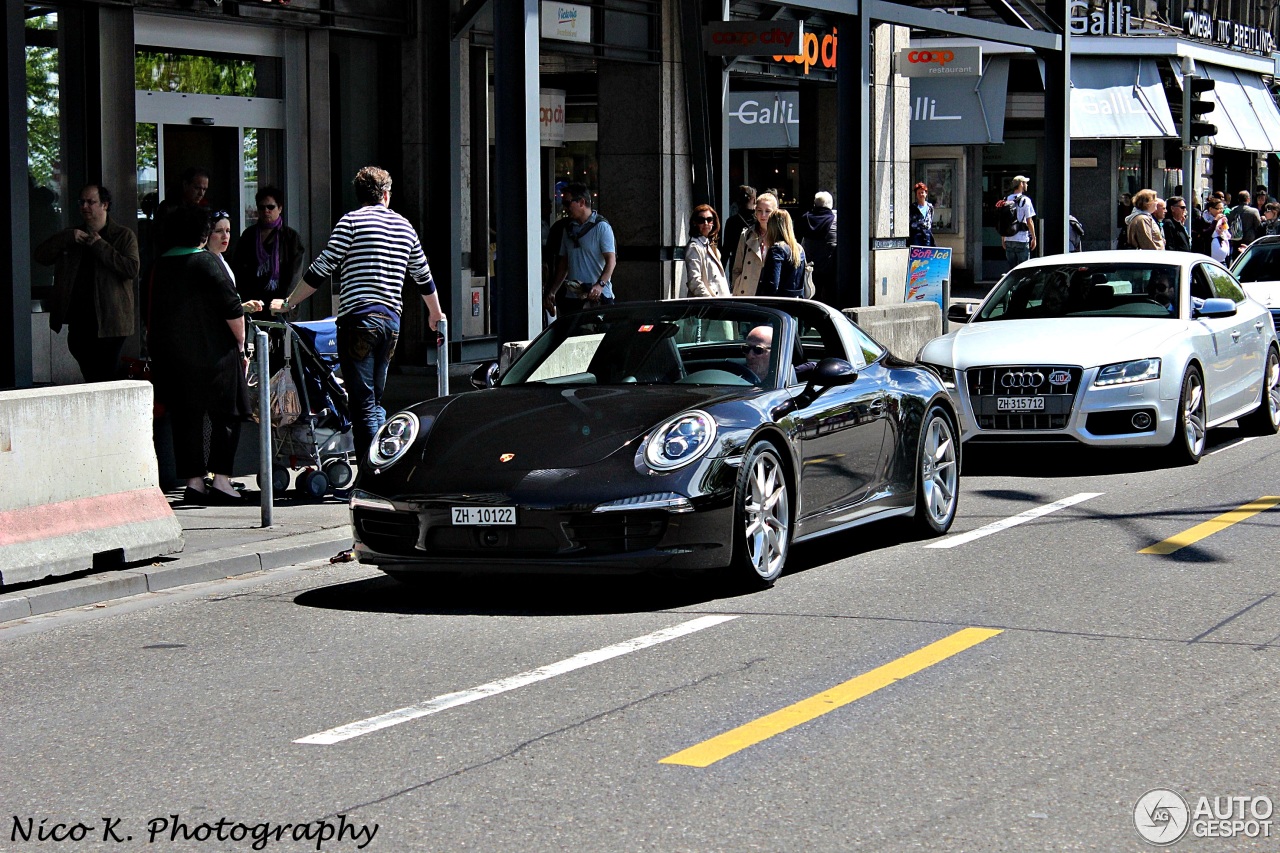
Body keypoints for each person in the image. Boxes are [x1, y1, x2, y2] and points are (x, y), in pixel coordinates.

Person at [269, 166, 445, 461]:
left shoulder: (351, 222)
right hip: (391, 322)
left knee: (362, 402)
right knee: (374, 399)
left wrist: (287, 303)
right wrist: (435, 313)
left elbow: (321, 269)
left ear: (359, 195)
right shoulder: (404, 226)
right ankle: (382, 461)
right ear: (386, 194)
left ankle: (371, 469)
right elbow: (423, 275)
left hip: (358, 320)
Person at [148, 206, 250, 505]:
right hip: (215, 356)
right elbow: (233, 309)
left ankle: (194, 482)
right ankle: (221, 480)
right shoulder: (206, 262)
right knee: (226, 415)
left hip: (173, 360)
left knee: (186, 419)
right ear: (202, 233)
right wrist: (242, 346)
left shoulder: (159, 266)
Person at [34, 184, 140, 382]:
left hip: (111, 322)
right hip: (80, 321)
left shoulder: (123, 235)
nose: (85, 206)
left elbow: (131, 269)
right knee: (90, 374)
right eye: (81, 202)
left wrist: (100, 245)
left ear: (105, 205)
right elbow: (41, 256)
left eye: (91, 202)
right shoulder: (73, 235)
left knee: (106, 376)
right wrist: (67, 237)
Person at [231, 185, 304, 321]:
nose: (266, 211)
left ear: (280, 208)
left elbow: (296, 274)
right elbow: (238, 269)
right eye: (261, 207)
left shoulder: (291, 237)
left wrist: (287, 303)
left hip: (280, 305)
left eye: (271, 207)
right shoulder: (249, 235)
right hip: (254, 305)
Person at [549, 182, 617, 315]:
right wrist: (553, 291)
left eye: (568, 203)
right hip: (573, 297)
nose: (565, 208)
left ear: (581, 202)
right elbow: (563, 264)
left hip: (597, 297)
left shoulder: (601, 227)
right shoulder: (568, 229)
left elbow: (611, 261)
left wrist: (600, 286)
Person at [207, 210, 263, 315]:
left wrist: (242, 307)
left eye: (227, 231)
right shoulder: (203, 263)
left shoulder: (223, 260)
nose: (225, 236)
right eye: (219, 231)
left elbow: (227, 303)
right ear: (207, 234)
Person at [729, 191, 778, 295]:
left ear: (775, 212)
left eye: (767, 211)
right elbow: (737, 267)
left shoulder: (781, 236)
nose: (763, 215)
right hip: (748, 291)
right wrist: (736, 287)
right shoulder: (747, 234)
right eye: (759, 210)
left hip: (772, 293)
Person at [797, 191, 838, 303]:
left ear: (814, 204)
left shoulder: (805, 219)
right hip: (830, 269)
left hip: (809, 268)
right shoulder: (836, 221)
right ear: (831, 205)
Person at [756, 209, 806, 298]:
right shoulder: (799, 248)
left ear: (771, 227)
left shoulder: (777, 249)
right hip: (797, 301)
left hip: (779, 303)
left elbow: (772, 285)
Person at [683, 205, 730, 297]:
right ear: (694, 223)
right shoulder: (694, 246)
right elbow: (694, 281)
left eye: (709, 219)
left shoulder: (710, 245)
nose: (706, 223)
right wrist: (709, 300)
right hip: (708, 304)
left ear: (713, 222)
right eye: (701, 220)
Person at [1002, 175, 1036, 268]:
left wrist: (1003, 239)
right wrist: (1034, 237)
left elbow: (1003, 221)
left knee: (1012, 270)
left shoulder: (1006, 199)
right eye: (1025, 183)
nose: (1027, 185)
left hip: (1008, 239)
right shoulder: (1026, 200)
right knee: (1024, 269)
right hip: (1021, 239)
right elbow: (1029, 221)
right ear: (1021, 184)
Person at [720, 184, 756, 266]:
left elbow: (726, 250)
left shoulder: (731, 222)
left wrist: (720, 273)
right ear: (753, 200)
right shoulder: (758, 221)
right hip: (754, 266)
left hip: (736, 264)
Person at [1227, 190, 1261, 255]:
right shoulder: (1254, 211)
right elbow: (1258, 226)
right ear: (1248, 199)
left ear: (1238, 199)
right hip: (1249, 240)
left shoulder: (1232, 210)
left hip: (1235, 240)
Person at [908, 182, 935, 247]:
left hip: (927, 234)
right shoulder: (912, 207)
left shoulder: (930, 207)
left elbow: (930, 219)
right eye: (919, 193)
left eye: (922, 192)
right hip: (916, 235)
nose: (921, 195)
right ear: (916, 195)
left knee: (927, 254)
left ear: (926, 193)